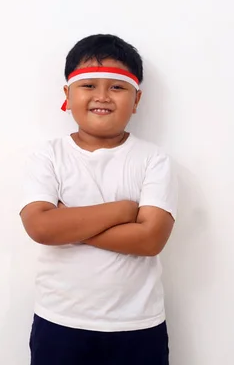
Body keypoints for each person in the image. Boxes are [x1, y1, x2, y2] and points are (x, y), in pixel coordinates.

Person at [19, 34, 178, 365]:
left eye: (117, 87)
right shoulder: (48, 156)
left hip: (138, 325)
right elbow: (39, 226)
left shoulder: (153, 160)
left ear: (136, 100)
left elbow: (150, 239)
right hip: (60, 321)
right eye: (88, 85)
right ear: (67, 94)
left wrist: (68, 222)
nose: (102, 96)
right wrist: (122, 210)